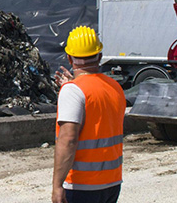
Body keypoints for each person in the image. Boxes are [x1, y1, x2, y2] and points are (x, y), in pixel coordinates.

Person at [52, 26, 126, 203]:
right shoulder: (115, 87)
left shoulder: (73, 91)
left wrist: (57, 186)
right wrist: (73, 85)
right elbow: (96, 108)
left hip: (81, 186)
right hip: (112, 183)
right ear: (99, 56)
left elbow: (68, 139)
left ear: (69, 58)